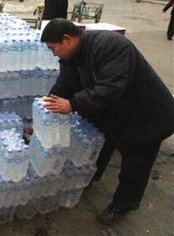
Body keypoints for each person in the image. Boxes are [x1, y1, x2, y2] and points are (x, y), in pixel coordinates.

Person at [40, 18, 174, 225]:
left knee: (135, 164)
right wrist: (45, 110)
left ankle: (123, 205)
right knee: (102, 143)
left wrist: (73, 104)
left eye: (53, 48)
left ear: (67, 39)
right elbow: (64, 85)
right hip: (115, 112)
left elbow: (111, 88)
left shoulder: (111, 46)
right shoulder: (72, 57)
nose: (53, 53)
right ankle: (91, 177)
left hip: (146, 116)